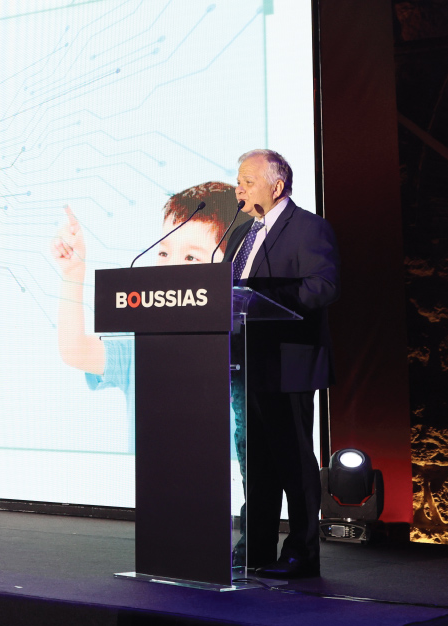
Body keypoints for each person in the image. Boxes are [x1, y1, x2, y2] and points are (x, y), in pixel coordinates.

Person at [51, 182, 245, 451]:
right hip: (153, 477)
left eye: (191, 257)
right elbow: (75, 350)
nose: (171, 266)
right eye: (164, 252)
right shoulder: (143, 343)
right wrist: (73, 273)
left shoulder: (246, 348)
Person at [223, 149, 339, 579]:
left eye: (247, 181)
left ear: (277, 185)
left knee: (293, 461)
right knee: (254, 461)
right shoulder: (240, 234)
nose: (239, 189)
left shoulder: (309, 227)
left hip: (288, 361)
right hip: (246, 362)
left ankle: (302, 552)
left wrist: (262, 297)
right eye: (238, 181)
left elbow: (322, 287)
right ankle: (254, 546)